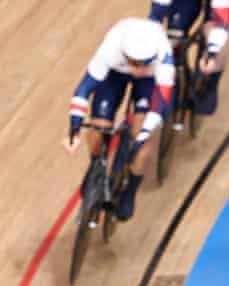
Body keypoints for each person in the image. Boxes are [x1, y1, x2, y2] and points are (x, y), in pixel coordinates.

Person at [66, 17, 175, 220]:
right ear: (125, 54)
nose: (137, 69)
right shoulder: (111, 48)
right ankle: (96, 164)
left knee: (141, 143)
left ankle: (130, 190)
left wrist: (143, 134)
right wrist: (74, 126)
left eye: (143, 64)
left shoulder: (164, 57)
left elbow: (159, 104)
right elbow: (83, 90)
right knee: (99, 125)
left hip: (149, 82)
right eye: (133, 63)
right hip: (115, 74)